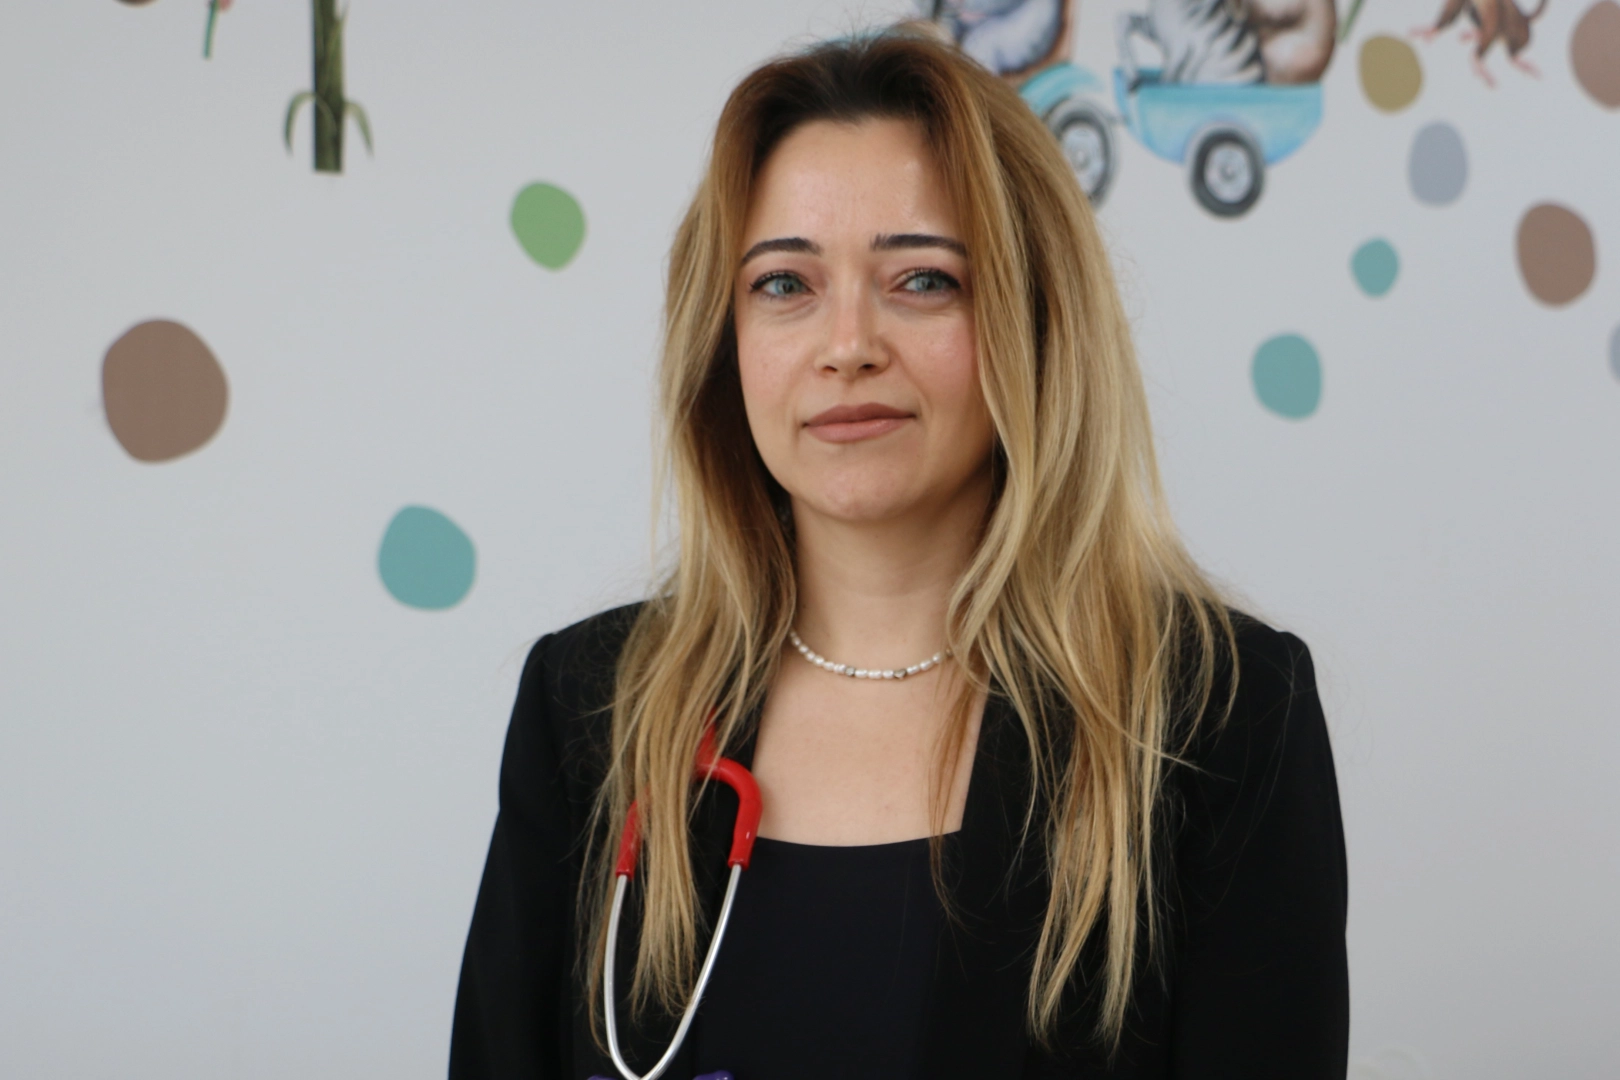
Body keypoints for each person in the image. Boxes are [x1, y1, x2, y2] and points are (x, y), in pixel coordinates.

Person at [449, 26, 1347, 1080]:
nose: (847, 346)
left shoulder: (1218, 718)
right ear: (723, 341)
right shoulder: (590, 709)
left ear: (1036, 319)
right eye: (784, 284)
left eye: (921, 279)